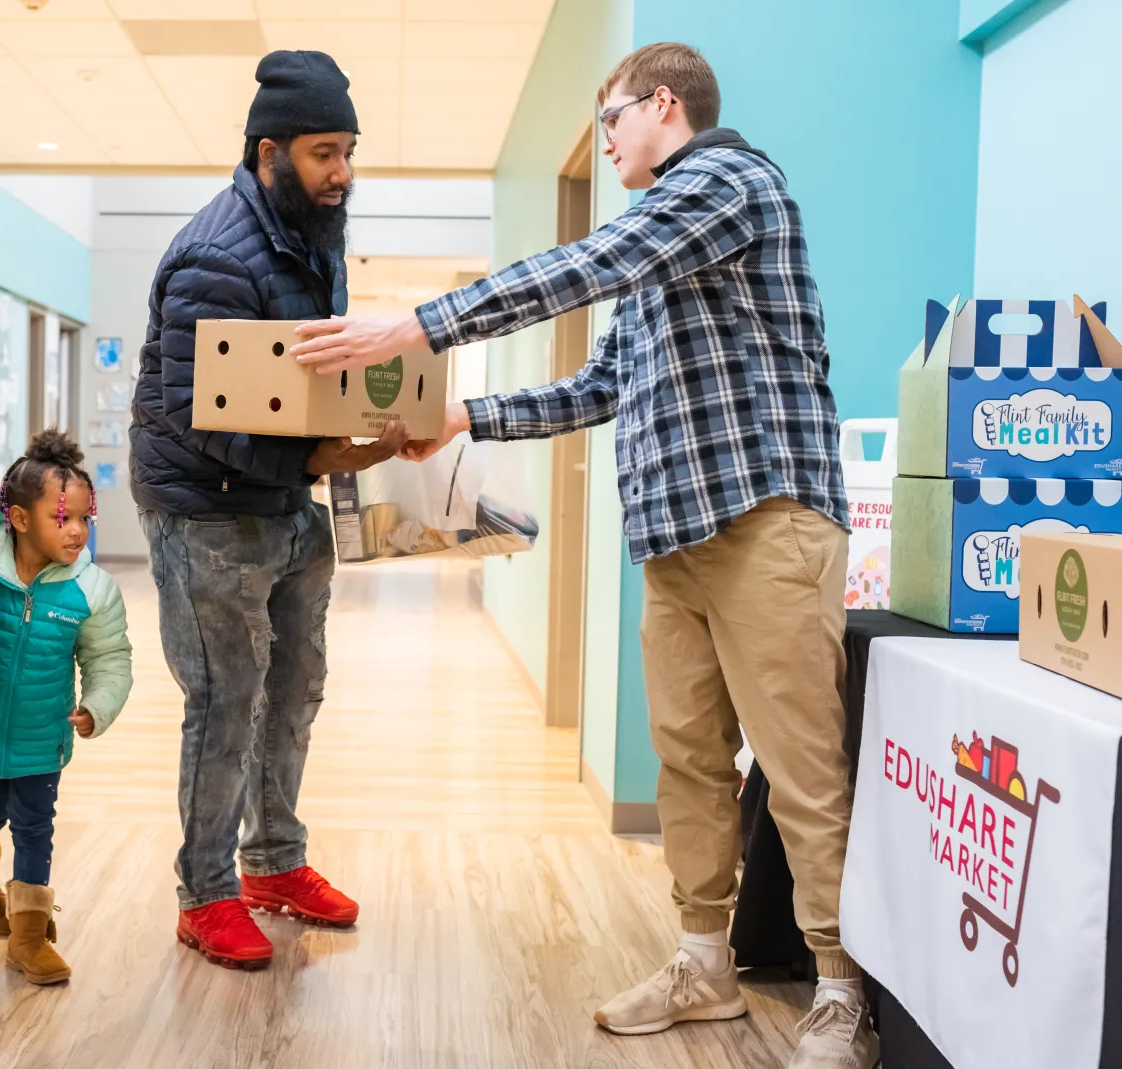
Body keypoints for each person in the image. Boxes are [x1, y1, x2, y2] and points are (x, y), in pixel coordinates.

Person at [291, 42, 877, 1069]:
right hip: (675, 536)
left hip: (766, 523)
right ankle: (706, 961)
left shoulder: (728, 184)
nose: (605, 140)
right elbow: (598, 387)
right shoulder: (659, 255)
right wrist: (466, 412)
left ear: (663, 103)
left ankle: (841, 991)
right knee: (690, 763)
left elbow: (586, 264)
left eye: (612, 119)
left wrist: (417, 328)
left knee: (800, 771)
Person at [129, 49, 407, 971]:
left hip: (284, 496)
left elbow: (305, 376)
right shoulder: (218, 253)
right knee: (224, 697)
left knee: (293, 687)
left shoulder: (310, 234)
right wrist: (321, 452)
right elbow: (191, 408)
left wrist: (368, 434)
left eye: (349, 152)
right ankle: (205, 892)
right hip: (204, 508)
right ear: (267, 152)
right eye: (325, 154)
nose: (342, 174)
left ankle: (273, 864)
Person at [0, 430, 132, 986]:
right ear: (21, 520)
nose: (77, 531)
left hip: (41, 740)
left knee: (34, 828)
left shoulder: (91, 590)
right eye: (62, 518)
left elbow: (109, 657)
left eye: (83, 517)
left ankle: (28, 936)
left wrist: (98, 706)